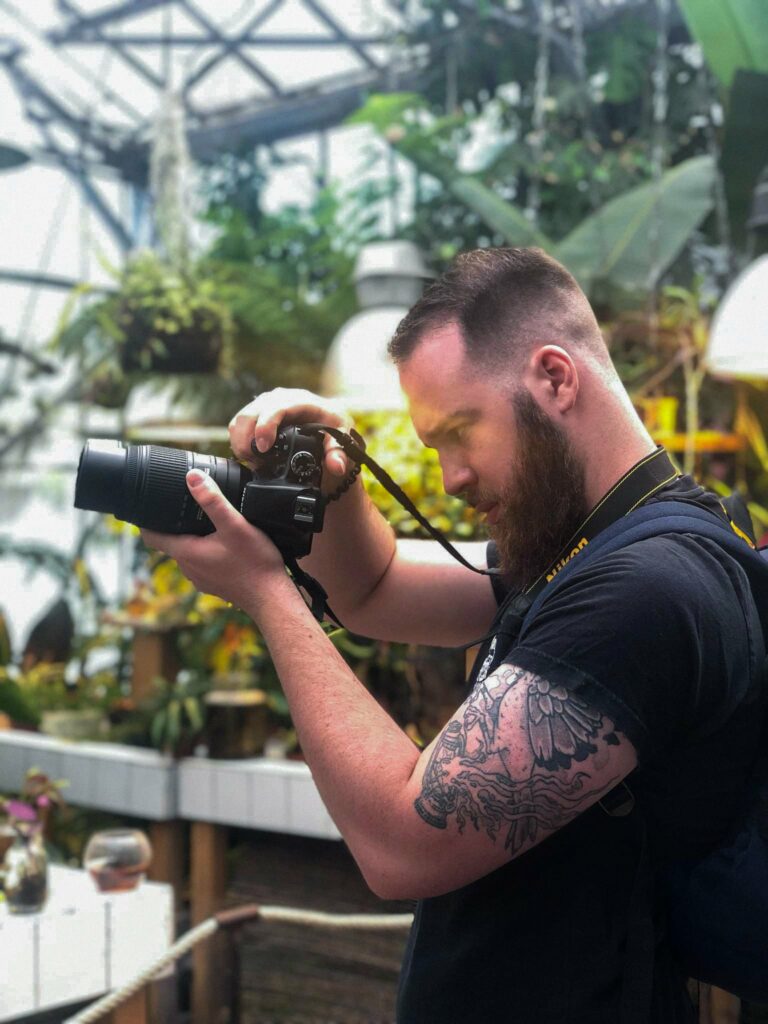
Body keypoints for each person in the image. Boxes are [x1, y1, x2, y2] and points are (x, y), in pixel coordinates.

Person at [142, 247, 766, 1023]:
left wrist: (267, 595)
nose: (449, 479)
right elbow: (375, 591)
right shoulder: (587, 544)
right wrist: (336, 483)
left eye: (459, 431)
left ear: (555, 377)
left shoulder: (646, 590)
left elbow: (404, 843)